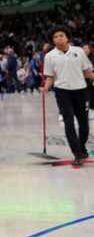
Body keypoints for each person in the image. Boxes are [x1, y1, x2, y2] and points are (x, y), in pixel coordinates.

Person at [42, 26, 94, 164]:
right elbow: (50, 76)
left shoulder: (79, 52)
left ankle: (81, 146)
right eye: (55, 37)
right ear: (52, 40)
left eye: (61, 35)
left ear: (67, 37)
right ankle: (77, 153)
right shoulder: (49, 56)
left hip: (81, 91)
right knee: (69, 122)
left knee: (84, 125)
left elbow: (87, 72)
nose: (59, 38)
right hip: (62, 92)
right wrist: (46, 88)